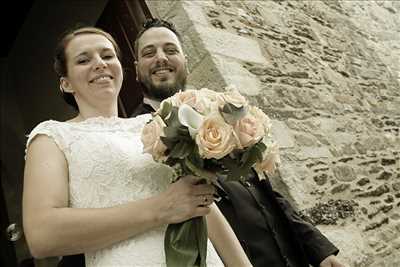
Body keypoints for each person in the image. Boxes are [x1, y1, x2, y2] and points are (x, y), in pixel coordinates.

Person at [57, 19, 345, 267]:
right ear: (134, 68)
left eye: (171, 50)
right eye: (149, 52)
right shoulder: (130, 139)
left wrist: (318, 249)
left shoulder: (225, 111)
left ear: (185, 59)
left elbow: (267, 189)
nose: (161, 58)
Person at [22, 26, 252, 267]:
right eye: (83, 60)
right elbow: (42, 235)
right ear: (66, 84)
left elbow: (201, 202)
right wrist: (161, 209)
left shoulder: (156, 124)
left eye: (107, 56)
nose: (100, 63)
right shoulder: (53, 136)